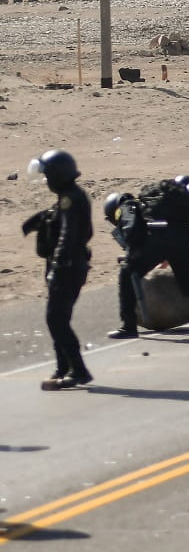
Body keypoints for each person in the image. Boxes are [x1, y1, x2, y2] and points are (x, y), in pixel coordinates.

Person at [107, 175, 189, 338]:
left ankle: (128, 327)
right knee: (185, 280)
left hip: (160, 239)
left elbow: (131, 230)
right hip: (181, 238)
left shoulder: (126, 206)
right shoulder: (153, 203)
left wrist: (132, 255)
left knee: (127, 272)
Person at [27, 150, 92, 389]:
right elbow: (57, 220)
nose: (45, 181)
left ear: (57, 175)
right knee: (57, 318)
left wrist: (58, 265)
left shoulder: (71, 199)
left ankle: (79, 370)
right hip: (68, 265)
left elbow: (68, 234)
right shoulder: (70, 196)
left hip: (68, 267)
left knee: (56, 319)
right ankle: (63, 368)